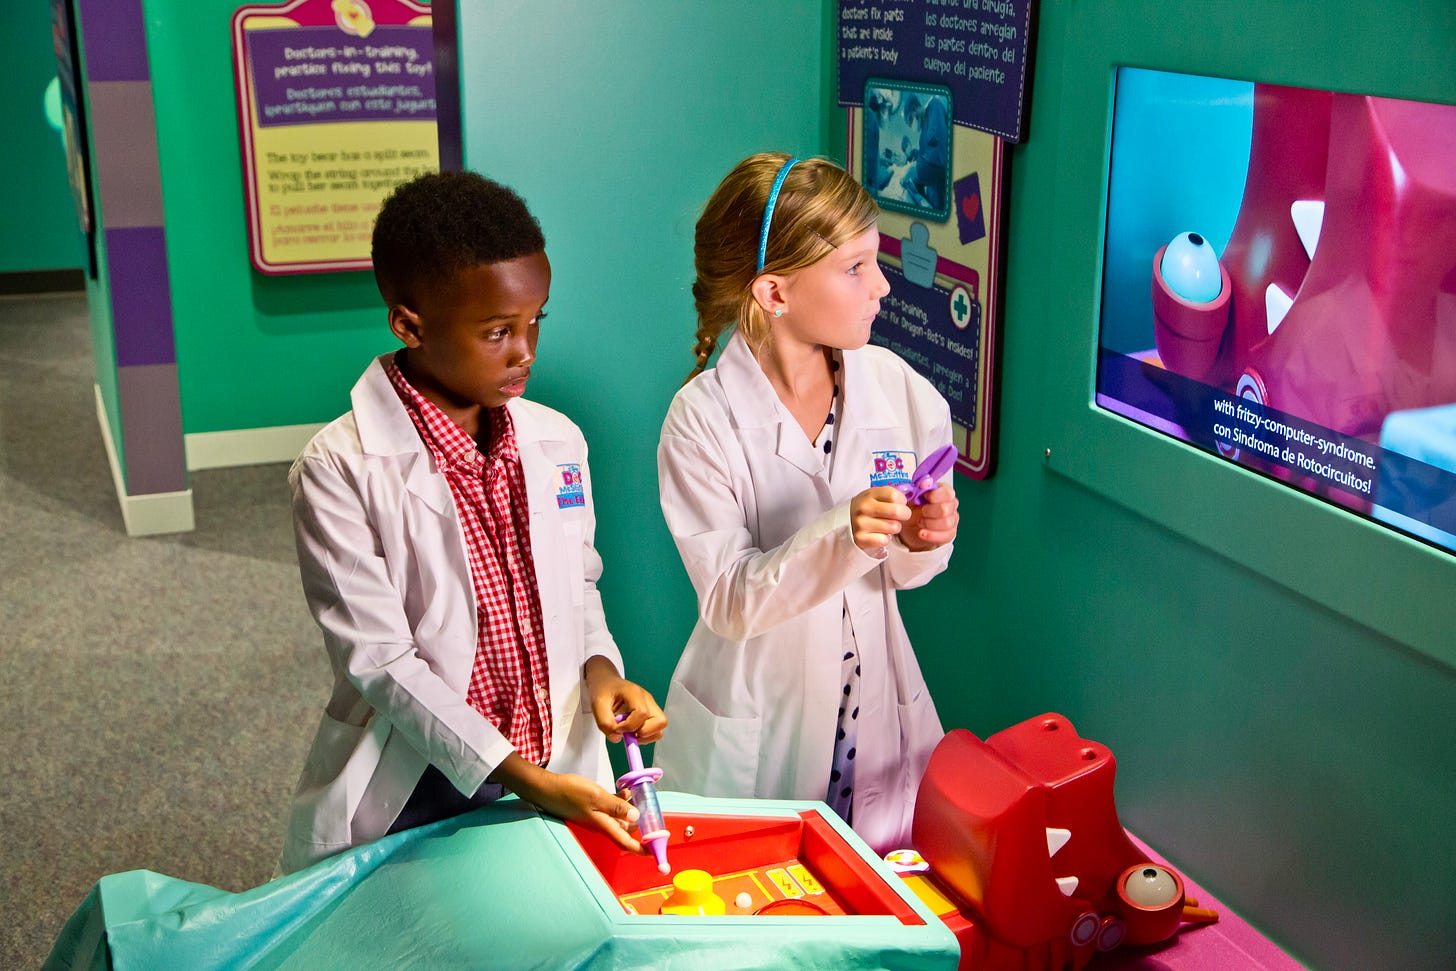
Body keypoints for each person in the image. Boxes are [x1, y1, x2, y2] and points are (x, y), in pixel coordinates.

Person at [279, 171, 666, 875]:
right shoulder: (337, 469)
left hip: (552, 765)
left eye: (535, 321)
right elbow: (382, 663)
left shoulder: (557, 442)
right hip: (418, 781)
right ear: (409, 323)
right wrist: (520, 774)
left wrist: (603, 671)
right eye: (497, 331)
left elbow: (578, 587)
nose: (526, 352)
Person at [651, 153, 959, 854]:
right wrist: (844, 532)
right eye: (855, 268)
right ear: (774, 293)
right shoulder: (700, 420)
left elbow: (908, 574)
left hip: (877, 719)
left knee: (881, 901)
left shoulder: (900, 390)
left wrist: (922, 540)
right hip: (760, 726)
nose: (882, 285)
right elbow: (730, 599)